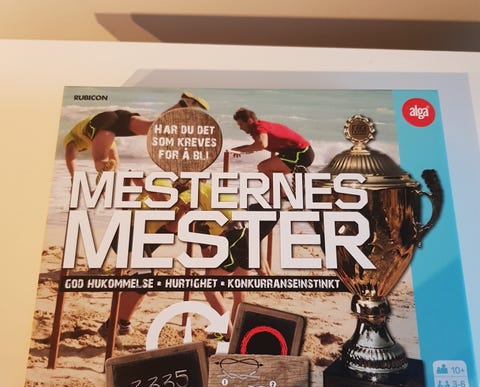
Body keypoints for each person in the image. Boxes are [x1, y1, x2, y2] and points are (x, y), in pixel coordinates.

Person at [99, 180, 277, 341]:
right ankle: (114, 325)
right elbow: (171, 211)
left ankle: (121, 324)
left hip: (233, 236)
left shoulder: (192, 204)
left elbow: (176, 225)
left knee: (145, 282)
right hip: (129, 233)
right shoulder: (185, 193)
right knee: (143, 281)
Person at [64, 92, 209, 177]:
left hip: (100, 121)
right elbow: (114, 160)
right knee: (153, 128)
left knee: (99, 162)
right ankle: (184, 103)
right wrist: (110, 176)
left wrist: (74, 178)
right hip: (117, 117)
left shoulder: (71, 137)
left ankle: (184, 105)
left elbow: (69, 153)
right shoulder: (107, 140)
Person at [231, 107, 315, 179]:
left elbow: (262, 145)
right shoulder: (259, 128)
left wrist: (241, 150)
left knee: (262, 167)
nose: (240, 128)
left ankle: (305, 180)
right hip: (298, 153)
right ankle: (282, 193)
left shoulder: (258, 127)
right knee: (263, 175)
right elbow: (261, 146)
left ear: (249, 121)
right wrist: (239, 149)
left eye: (241, 124)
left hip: (301, 154)